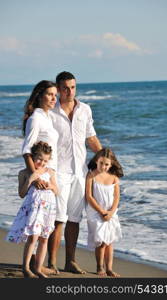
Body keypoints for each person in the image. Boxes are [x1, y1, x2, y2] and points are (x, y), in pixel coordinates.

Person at [48, 71, 102, 274]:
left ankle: (70, 261)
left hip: (80, 172)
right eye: (65, 88)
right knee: (58, 219)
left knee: (74, 219)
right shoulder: (50, 111)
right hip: (57, 172)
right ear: (58, 88)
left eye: (73, 87)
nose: (69, 91)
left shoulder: (85, 109)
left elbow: (91, 138)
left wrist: (108, 158)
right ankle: (51, 262)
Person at [21, 80, 59, 274]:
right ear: (40, 96)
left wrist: (52, 180)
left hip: (49, 179)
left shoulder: (48, 116)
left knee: (45, 230)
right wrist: (35, 178)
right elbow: (27, 150)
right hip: (40, 182)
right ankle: (27, 267)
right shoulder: (36, 117)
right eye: (50, 94)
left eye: (55, 95)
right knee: (35, 231)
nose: (54, 98)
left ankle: (37, 267)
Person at [6, 141, 58, 278]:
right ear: (33, 157)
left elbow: (57, 190)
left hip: (48, 210)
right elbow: (21, 193)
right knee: (33, 237)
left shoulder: (50, 172)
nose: (42, 163)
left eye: (45, 160)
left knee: (44, 238)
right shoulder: (23, 173)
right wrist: (30, 180)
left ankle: (38, 268)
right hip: (34, 210)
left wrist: (50, 186)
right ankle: (26, 267)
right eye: (39, 159)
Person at [85, 148, 123, 277]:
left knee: (109, 241)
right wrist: (101, 211)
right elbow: (89, 196)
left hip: (110, 213)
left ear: (111, 164)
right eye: (101, 163)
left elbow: (117, 197)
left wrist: (111, 212)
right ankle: (99, 267)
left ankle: (109, 268)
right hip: (96, 212)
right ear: (96, 161)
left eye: (107, 164)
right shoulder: (91, 175)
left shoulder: (114, 177)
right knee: (101, 241)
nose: (104, 166)